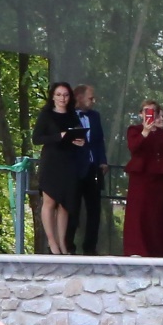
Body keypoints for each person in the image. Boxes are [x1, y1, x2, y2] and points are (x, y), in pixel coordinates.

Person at [32, 81, 84, 258]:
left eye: (66, 95)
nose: (63, 98)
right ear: (53, 96)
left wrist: (80, 141)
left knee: (65, 204)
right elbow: (36, 139)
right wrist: (58, 136)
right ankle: (52, 243)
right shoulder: (46, 115)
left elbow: (79, 134)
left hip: (69, 162)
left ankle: (63, 243)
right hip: (51, 162)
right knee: (50, 202)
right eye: (59, 95)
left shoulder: (72, 115)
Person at [123, 100, 163, 257]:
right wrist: (145, 132)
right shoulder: (134, 130)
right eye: (146, 111)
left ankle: (160, 251)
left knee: (158, 216)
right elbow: (133, 147)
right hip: (141, 178)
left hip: (159, 180)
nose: (149, 114)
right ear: (141, 114)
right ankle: (137, 250)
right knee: (139, 214)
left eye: (153, 111)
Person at [72, 84, 110, 254]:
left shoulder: (95, 116)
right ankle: (68, 245)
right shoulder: (69, 115)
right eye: (90, 98)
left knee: (94, 208)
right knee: (72, 207)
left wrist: (102, 161)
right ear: (79, 97)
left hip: (93, 167)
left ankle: (90, 247)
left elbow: (99, 140)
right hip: (75, 168)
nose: (93, 101)